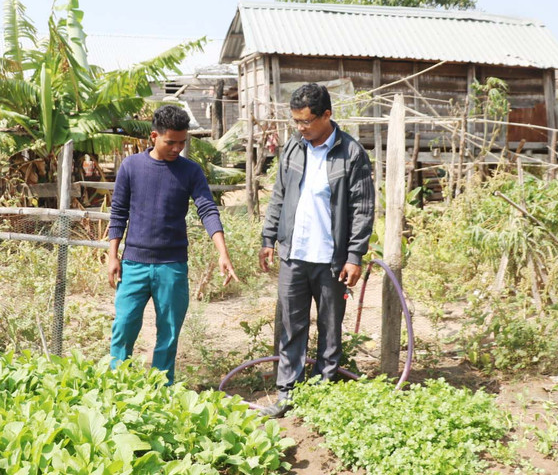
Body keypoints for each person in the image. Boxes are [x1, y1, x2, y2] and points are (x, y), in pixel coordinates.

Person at [259, 83, 375, 417]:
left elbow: (362, 209)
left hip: (330, 260)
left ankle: (322, 395)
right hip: (293, 254)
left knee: (330, 329)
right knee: (290, 327)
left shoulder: (351, 153)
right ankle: (287, 395)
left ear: (327, 115)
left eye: (306, 121)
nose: (300, 128)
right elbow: (279, 195)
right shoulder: (294, 148)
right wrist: (268, 238)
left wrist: (354, 256)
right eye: (296, 121)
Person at [108, 105, 239, 384]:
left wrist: (223, 253)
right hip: (134, 264)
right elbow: (118, 213)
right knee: (124, 327)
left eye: (182, 142)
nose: (177, 148)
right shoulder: (131, 167)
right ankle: (117, 386)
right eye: (171, 142)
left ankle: (162, 389)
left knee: (168, 333)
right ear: (154, 136)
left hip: (172, 266)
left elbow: (207, 210)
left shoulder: (190, 171)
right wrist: (113, 256)